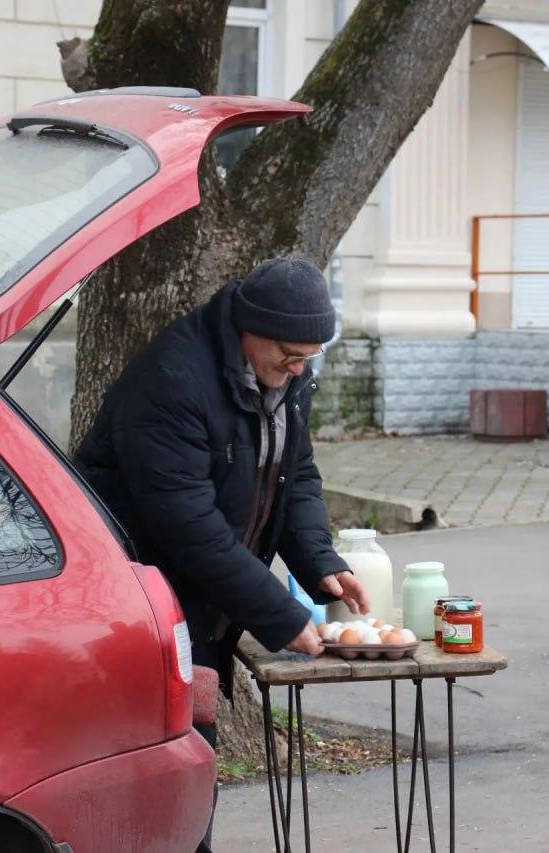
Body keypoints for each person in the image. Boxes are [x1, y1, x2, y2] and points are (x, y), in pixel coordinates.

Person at [73, 257, 370, 852]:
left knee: (192, 764)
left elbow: (297, 475)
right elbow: (187, 527)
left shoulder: (286, 372)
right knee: (166, 769)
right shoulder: (172, 380)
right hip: (143, 601)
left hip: (207, 595)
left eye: (310, 355)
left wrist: (320, 562)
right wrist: (281, 616)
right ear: (248, 328)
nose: (299, 368)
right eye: (290, 354)